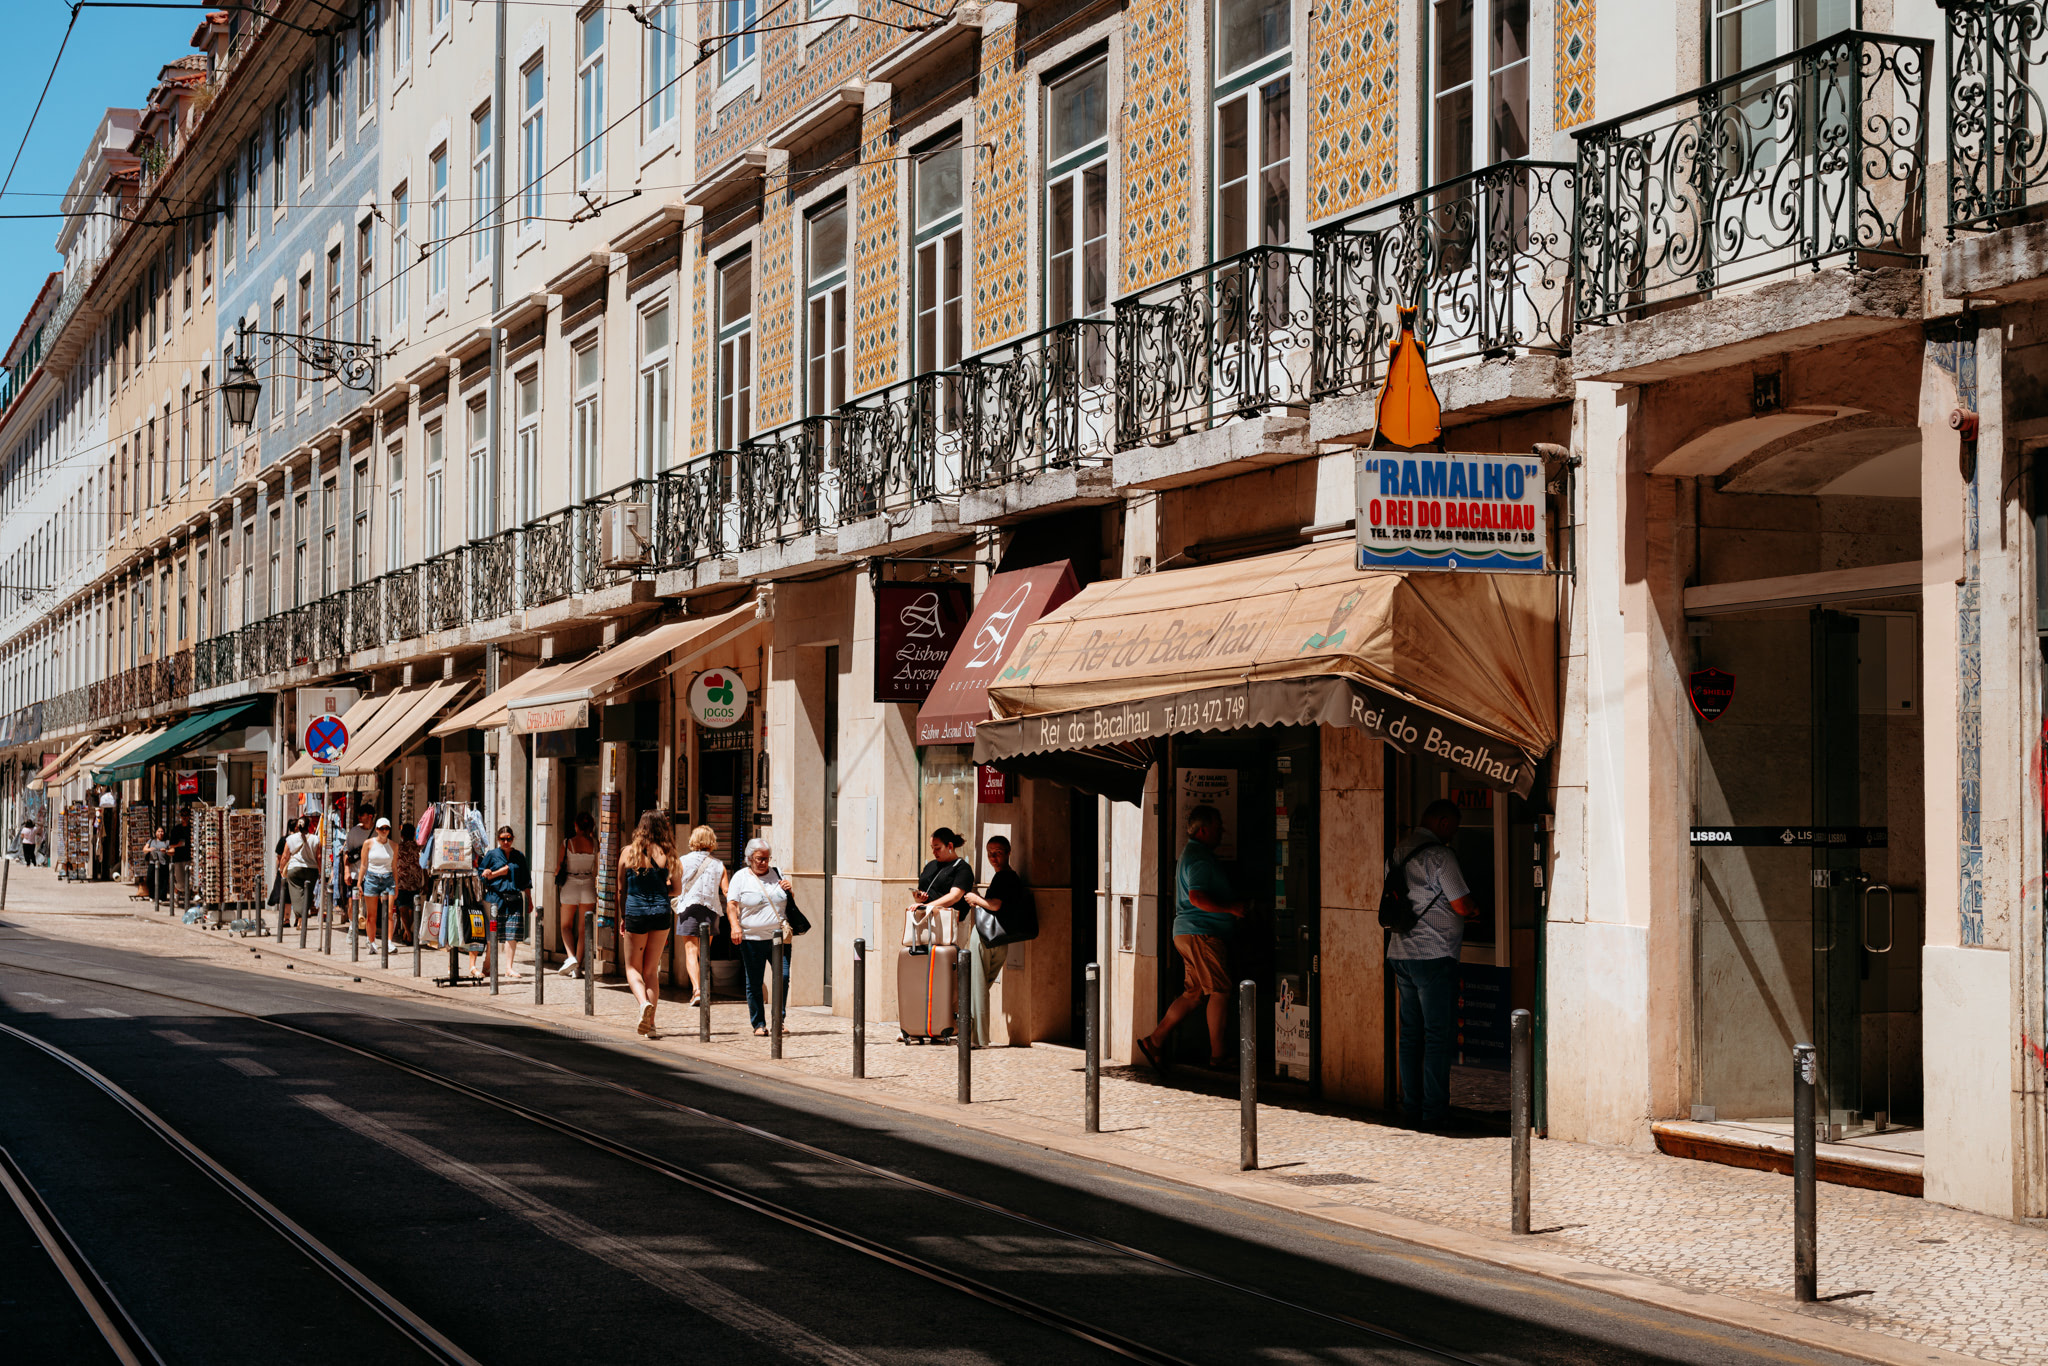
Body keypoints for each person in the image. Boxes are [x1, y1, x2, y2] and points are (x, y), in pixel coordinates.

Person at [1386, 799, 1482, 1130]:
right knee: (1438, 1036)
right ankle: (1434, 1111)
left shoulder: (1399, 852)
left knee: (1411, 1035)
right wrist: (1474, 911)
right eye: (1452, 828)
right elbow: (1460, 903)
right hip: (1434, 956)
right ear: (1442, 823)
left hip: (1401, 953)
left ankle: (1412, 1106)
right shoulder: (1441, 855)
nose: (1452, 835)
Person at [1137, 804, 1245, 1073]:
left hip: (1188, 932)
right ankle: (1218, 1056)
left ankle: (1155, 1041)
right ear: (1204, 829)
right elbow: (1197, 897)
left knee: (1193, 994)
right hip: (1202, 933)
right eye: (1218, 827)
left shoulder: (1193, 854)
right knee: (1219, 990)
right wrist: (1231, 908)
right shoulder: (1199, 858)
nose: (1222, 832)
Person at [958, 834, 1034, 1048]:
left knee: (977, 985)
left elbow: (996, 905)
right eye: (990, 853)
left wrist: (976, 900)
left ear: (1008, 852)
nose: (993, 857)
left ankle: (977, 1038)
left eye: (998, 853)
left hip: (985, 937)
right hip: (1000, 938)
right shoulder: (1012, 878)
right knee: (981, 985)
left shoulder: (1003, 878)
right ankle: (973, 1034)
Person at [617, 812, 679, 1036]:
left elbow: (621, 890)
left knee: (633, 968)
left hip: (636, 912)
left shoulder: (627, 852)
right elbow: (677, 890)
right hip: (661, 912)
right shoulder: (668, 853)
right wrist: (661, 887)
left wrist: (623, 917)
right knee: (652, 970)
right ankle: (651, 1025)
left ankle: (643, 1004)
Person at [727, 838, 792, 1036]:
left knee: (783, 977)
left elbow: (788, 903)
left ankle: (778, 1020)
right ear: (749, 858)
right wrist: (735, 926)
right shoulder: (740, 877)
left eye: (766, 858)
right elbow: (731, 905)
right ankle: (759, 1024)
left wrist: (790, 890)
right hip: (752, 938)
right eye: (759, 859)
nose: (764, 862)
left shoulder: (778, 873)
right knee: (754, 981)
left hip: (779, 938)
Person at [675, 825, 728, 1008]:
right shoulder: (719, 865)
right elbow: (727, 891)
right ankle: (704, 990)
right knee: (703, 952)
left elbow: (673, 884)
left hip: (688, 908)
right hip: (711, 910)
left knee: (690, 951)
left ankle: (697, 990)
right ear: (712, 842)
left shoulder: (682, 861)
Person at [479, 826, 534, 977]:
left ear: (513, 839)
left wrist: (529, 899)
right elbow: (482, 875)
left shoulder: (519, 856)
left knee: (512, 933)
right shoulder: (491, 855)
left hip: (515, 899)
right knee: (493, 935)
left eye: (508, 838)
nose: (506, 841)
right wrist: (493, 873)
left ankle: (509, 968)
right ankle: (488, 963)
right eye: (502, 839)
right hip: (495, 899)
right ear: (498, 839)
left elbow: (525, 880)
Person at [554, 813, 598, 978]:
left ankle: (571, 957)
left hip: (570, 884)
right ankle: (577, 967)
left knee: (566, 926)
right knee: (583, 929)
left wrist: (556, 873)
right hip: (587, 884)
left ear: (576, 825)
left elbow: (559, 866)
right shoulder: (595, 844)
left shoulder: (568, 843)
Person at [358, 817, 398, 947]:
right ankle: (372, 941)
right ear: (376, 829)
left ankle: (389, 942)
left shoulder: (393, 845)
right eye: (381, 828)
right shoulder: (368, 843)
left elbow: (394, 867)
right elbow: (363, 865)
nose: (384, 831)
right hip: (372, 878)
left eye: (387, 828)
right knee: (371, 914)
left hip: (388, 878)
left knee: (390, 912)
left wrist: (396, 885)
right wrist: (359, 882)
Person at [342, 806, 377, 930]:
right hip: (355, 874)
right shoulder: (354, 832)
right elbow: (346, 852)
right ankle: (352, 926)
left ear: (370, 816)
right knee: (352, 902)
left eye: (362, 814)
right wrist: (346, 871)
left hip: (372, 875)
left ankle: (368, 930)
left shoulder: (378, 832)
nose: (359, 816)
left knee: (369, 904)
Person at [283, 815, 321, 928]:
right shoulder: (315, 839)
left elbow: (285, 856)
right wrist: (321, 870)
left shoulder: (290, 839)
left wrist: (281, 869)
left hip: (295, 869)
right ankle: (302, 918)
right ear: (309, 826)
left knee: (296, 895)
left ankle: (300, 916)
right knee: (308, 895)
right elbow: (319, 856)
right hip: (311, 870)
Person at [393, 824, 425, 945]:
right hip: (415, 881)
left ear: (402, 835)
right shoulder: (418, 848)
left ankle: (407, 932)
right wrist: (425, 882)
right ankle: (408, 932)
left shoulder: (398, 847)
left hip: (401, 881)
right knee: (412, 907)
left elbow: (393, 865)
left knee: (403, 908)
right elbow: (424, 866)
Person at [144, 826, 172, 901]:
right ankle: (152, 896)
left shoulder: (167, 842)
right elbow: (144, 849)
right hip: (153, 863)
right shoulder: (151, 841)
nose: (160, 833)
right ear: (156, 833)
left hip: (163, 864)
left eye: (162, 831)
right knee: (150, 879)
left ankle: (161, 897)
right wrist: (150, 849)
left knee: (163, 881)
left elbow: (172, 851)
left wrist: (166, 851)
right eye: (158, 831)